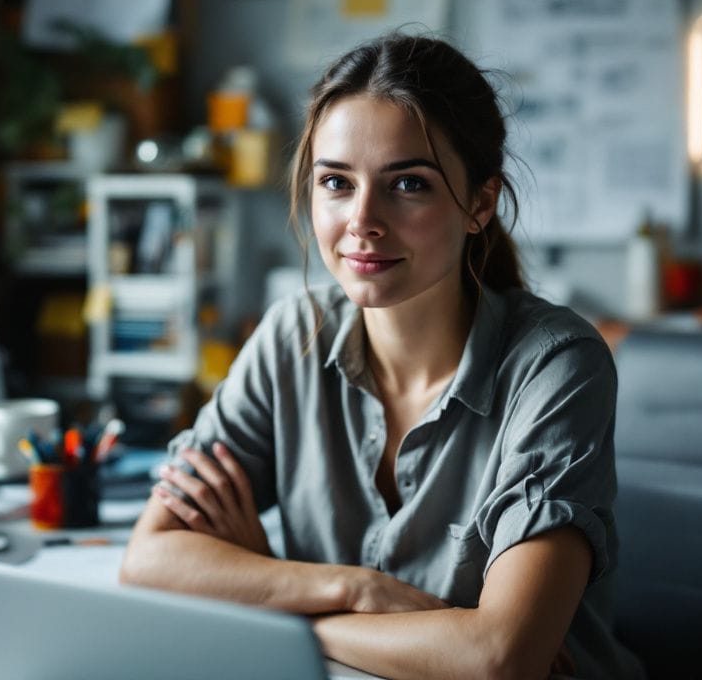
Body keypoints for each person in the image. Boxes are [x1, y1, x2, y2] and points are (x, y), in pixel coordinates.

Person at [119, 34, 643, 679]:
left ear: (479, 203)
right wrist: (354, 589)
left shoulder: (556, 364)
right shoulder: (293, 336)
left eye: (409, 185)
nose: (362, 220)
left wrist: (277, 600)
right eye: (336, 181)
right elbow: (152, 559)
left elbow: (499, 659)